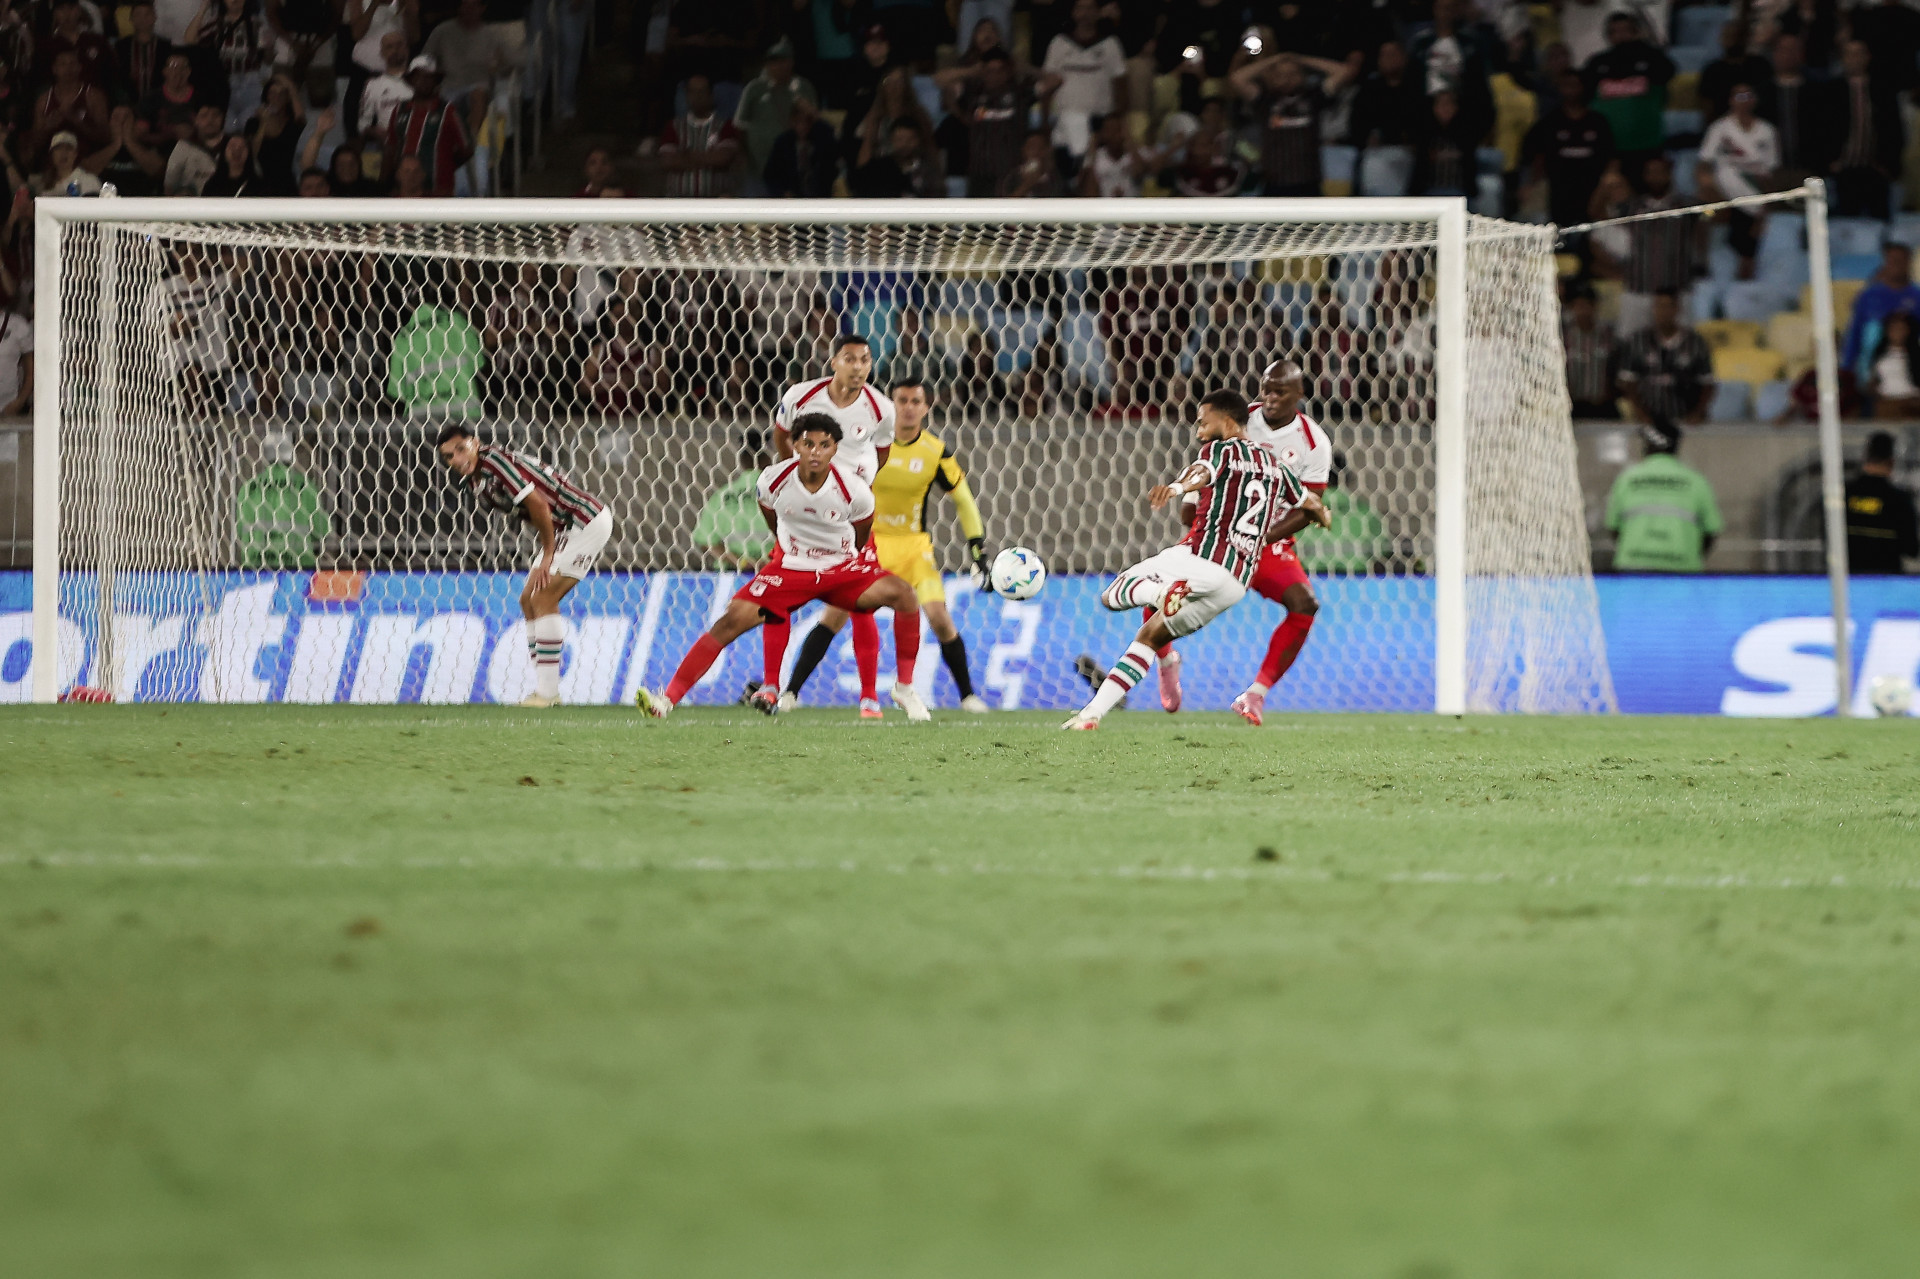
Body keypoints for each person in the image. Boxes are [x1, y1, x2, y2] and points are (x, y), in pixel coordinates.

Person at [635, 413, 931, 722]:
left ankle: (904, 688)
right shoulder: (772, 480)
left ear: (834, 449)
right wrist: (792, 551)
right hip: (792, 568)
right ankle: (666, 701)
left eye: (823, 445)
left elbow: (862, 531)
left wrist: (843, 559)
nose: (815, 452)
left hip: (842, 570)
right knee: (731, 620)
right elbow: (772, 518)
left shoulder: (854, 490)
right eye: (808, 444)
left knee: (905, 594)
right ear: (793, 446)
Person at [1063, 390, 1327, 731]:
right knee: (1150, 637)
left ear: (1228, 421)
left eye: (1204, 419)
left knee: (1112, 595)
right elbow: (1310, 502)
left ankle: (1158, 595)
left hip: (1202, 558)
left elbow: (1201, 471)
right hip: (1234, 583)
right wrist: (1324, 514)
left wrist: (1174, 488)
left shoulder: (1220, 450)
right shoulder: (1276, 466)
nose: (1198, 426)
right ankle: (1091, 715)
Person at [778, 379, 993, 714]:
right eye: (901, 400)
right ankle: (790, 692)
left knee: (939, 617)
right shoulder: (865, 447)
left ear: (925, 407)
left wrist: (978, 550)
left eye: (915, 401)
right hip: (869, 545)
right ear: (889, 406)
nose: (908, 407)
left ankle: (968, 696)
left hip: (914, 549)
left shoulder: (936, 451)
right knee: (834, 616)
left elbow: (964, 500)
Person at [1153, 361, 1332, 725]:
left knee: (1305, 604)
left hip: (1268, 541)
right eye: (1265, 388)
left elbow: (1308, 508)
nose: (1269, 398)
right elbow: (1208, 462)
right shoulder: (1239, 419)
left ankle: (1255, 694)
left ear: (1299, 394)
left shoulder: (1314, 444)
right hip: (1218, 532)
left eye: (1280, 391)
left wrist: (1262, 536)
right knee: (1164, 591)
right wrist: (1190, 501)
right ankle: (1167, 658)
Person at [436, 422, 613, 708]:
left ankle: (547, 693)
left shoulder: (495, 462)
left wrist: (547, 555)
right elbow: (529, 513)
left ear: (475, 443)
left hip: (584, 520)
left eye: (460, 449)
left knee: (543, 597)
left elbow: (539, 505)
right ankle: (545, 687)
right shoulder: (477, 482)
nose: (456, 459)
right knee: (528, 600)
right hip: (566, 529)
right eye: (449, 456)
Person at [767, 332, 897, 716]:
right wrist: (799, 477)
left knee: (861, 604)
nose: (858, 367)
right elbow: (781, 436)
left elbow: (883, 451)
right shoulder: (801, 396)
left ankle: (869, 698)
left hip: (847, 519)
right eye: (850, 359)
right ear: (834, 361)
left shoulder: (881, 408)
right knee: (778, 597)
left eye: (865, 360)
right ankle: (773, 688)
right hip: (802, 515)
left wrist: (855, 490)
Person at [1603, 416, 1721, 573]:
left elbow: (1613, 527)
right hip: (1682, 571)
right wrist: (1688, 556)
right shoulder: (1696, 481)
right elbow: (1712, 531)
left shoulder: (1627, 478)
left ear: (1648, 445)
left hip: (1633, 570)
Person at [1230, 50, 1355, 198]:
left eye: (1293, 74)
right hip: (1274, 183)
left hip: (1308, 182)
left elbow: (1344, 71)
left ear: (1302, 76)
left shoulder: (1313, 97)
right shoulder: (1265, 100)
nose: (1287, 79)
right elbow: (1237, 78)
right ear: (1272, 78)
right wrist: (1274, 60)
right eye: (1281, 75)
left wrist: (1301, 59)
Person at [935, 48, 1053, 197]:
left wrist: (1026, 69)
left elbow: (1055, 80)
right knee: (979, 219)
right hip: (979, 174)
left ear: (1009, 71)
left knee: (1007, 217)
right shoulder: (973, 93)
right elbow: (940, 79)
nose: (995, 76)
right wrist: (972, 71)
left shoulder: (1022, 93)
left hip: (1011, 172)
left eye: (1000, 70)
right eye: (990, 71)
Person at [1814, 39, 1903, 220]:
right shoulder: (1830, 90)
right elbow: (1821, 130)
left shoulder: (1882, 89)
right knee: (1846, 223)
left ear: (1867, 57)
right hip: (1842, 170)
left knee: (1880, 222)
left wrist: (1887, 164)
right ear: (1843, 58)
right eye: (1850, 54)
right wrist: (1830, 162)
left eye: (1859, 53)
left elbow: (1894, 129)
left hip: (1875, 169)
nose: (1854, 58)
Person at [1579, 10, 1672, 181]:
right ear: (1608, 35)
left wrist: (1644, 44)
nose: (1621, 36)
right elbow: (1584, 98)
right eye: (1615, 31)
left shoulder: (1652, 58)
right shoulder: (1597, 63)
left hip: (1648, 144)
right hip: (1610, 147)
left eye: (1626, 30)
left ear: (1635, 31)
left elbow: (1668, 74)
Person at [1521, 69, 1614, 229]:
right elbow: (1535, 156)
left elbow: (1612, 157)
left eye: (1575, 85)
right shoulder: (1549, 121)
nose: (1571, 90)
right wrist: (1529, 185)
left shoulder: (1598, 121)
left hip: (1592, 188)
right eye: (1566, 85)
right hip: (1556, 188)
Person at [1041, 0, 1125, 166]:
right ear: (1074, 13)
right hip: (1065, 119)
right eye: (1080, 8)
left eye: (1090, 8)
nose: (1085, 13)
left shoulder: (1110, 44)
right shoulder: (1059, 43)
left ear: (1098, 13)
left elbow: (1121, 86)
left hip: (1100, 121)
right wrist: (1045, 124)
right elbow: (1048, 85)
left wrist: (1118, 123)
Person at [734, 38, 817, 195]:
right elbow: (740, 127)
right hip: (758, 169)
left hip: (794, 170)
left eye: (783, 61)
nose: (778, 66)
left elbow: (815, 123)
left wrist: (805, 106)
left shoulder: (804, 87)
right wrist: (745, 158)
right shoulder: (754, 88)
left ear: (791, 62)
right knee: (757, 217)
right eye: (773, 61)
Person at [1618, 290, 1714, 425]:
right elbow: (1628, 382)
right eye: (1660, 306)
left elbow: (1707, 383)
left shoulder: (1695, 343)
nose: (1664, 312)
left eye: (1668, 306)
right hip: (1648, 419)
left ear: (1677, 309)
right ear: (1653, 309)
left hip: (1685, 419)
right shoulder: (1637, 342)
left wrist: (1698, 413)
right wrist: (1640, 413)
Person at [383, 53, 472, 197]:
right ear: (411, 80)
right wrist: (385, 184)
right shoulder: (400, 110)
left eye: (429, 77)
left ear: (436, 81)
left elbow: (467, 150)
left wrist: (444, 166)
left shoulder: (448, 111)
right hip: (404, 192)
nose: (423, 81)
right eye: (418, 76)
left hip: (439, 191)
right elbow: (391, 148)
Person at [693, 429, 776, 569]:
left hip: (732, 577)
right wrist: (763, 563)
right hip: (772, 572)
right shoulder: (779, 493)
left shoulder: (721, 496)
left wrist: (741, 562)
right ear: (768, 459)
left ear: (741, 460)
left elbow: (706, 541)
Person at [421, 0, 506, 134]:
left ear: (482, 8)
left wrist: (496, 65)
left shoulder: (491, 34)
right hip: (449, 85)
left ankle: (473, 142)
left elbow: (500, 64)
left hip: (478, 84)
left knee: (478, 95)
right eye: (465, 5)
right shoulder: (442, 30)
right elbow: (425, 58)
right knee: (436, 100)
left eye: (473, 6)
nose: (468, 9)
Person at [1844, 431, 1919, 573]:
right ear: (1891, 462)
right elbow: (1911, 548)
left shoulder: (1844, 494)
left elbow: (1829, 538)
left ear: (1865, 458)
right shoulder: (1899, 499)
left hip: (1850, 579)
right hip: (1887, 580)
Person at [1842, 242, 1920, 374]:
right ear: (1885, 263)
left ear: (1908, 262)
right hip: (1872, 368)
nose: (1897, 265)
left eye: (1901, 260)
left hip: (1911, 368)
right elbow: (1855, 331)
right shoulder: (1868, 296)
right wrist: (1847, 366)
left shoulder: (1917, 295)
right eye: (1893, 260)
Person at [660, 73, 742, 197]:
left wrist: (686, 155)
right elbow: (668, 161)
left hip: (715, 202)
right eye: (692, 92)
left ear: (711, 94)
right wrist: (708, 157)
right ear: (687, 95)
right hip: (678, 202)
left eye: (701, 92)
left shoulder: (725, 126)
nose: (697, 97)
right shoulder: (673, 126)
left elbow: (722, 159)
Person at [1698, 20, 1773, 125]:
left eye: (1735, 36)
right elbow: (1707, 106)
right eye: (1726, 36)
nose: (1730, 40)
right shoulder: (1712, 70)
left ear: (1745, 38)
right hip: (1722, 126)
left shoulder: (1760, 66)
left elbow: (1768, 98)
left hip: (1758, 124)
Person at [764, 95, 839, 197]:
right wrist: (782, 192)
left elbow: (832, 144)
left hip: (819, 198)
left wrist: (815, 114)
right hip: (791, 199)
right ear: (792, 121)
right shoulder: (783, 143)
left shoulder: (821, 139)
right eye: (798, 121)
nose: (803, 126)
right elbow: (770, 176)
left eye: (807, 121)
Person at [1563, 285, 1618, 419]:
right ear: (1572, 308)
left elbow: (1616, 368)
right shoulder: (1564, 337)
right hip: (1573, 406)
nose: (1583, 310)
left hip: (1602, 405)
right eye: (1578, 305)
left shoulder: (1608, 335)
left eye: (1587, 305)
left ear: (1594, 306)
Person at [355, 28, 412, 138]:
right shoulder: (372, 85)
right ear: (382, 53)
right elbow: (362, 125)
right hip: (389, 145)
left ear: (407, 49)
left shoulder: (420, 81)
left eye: (399, 45)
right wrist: (374, 131)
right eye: (389, 47)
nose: (395, 50)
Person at [163, 100, 225, 193]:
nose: (210, 120)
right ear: (196, 119)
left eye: (215, 115)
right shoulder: (183, 147)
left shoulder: (232, 145)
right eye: (204, 116)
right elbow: (169, 188)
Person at [1868, 312, 1920, 418]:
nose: (1897, 333)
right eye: (1893, 329)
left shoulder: (1916, 354)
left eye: (1901, 329)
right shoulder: (1879, 353)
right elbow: (1875, 378)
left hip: (1911, 403)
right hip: (1885, 403)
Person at [32, 129, 102, 193]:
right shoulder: (41, 184)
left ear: (75, 154)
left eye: (68, 148)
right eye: (58, 148)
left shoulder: (89, 181)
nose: (63, 153)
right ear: (52, 154)